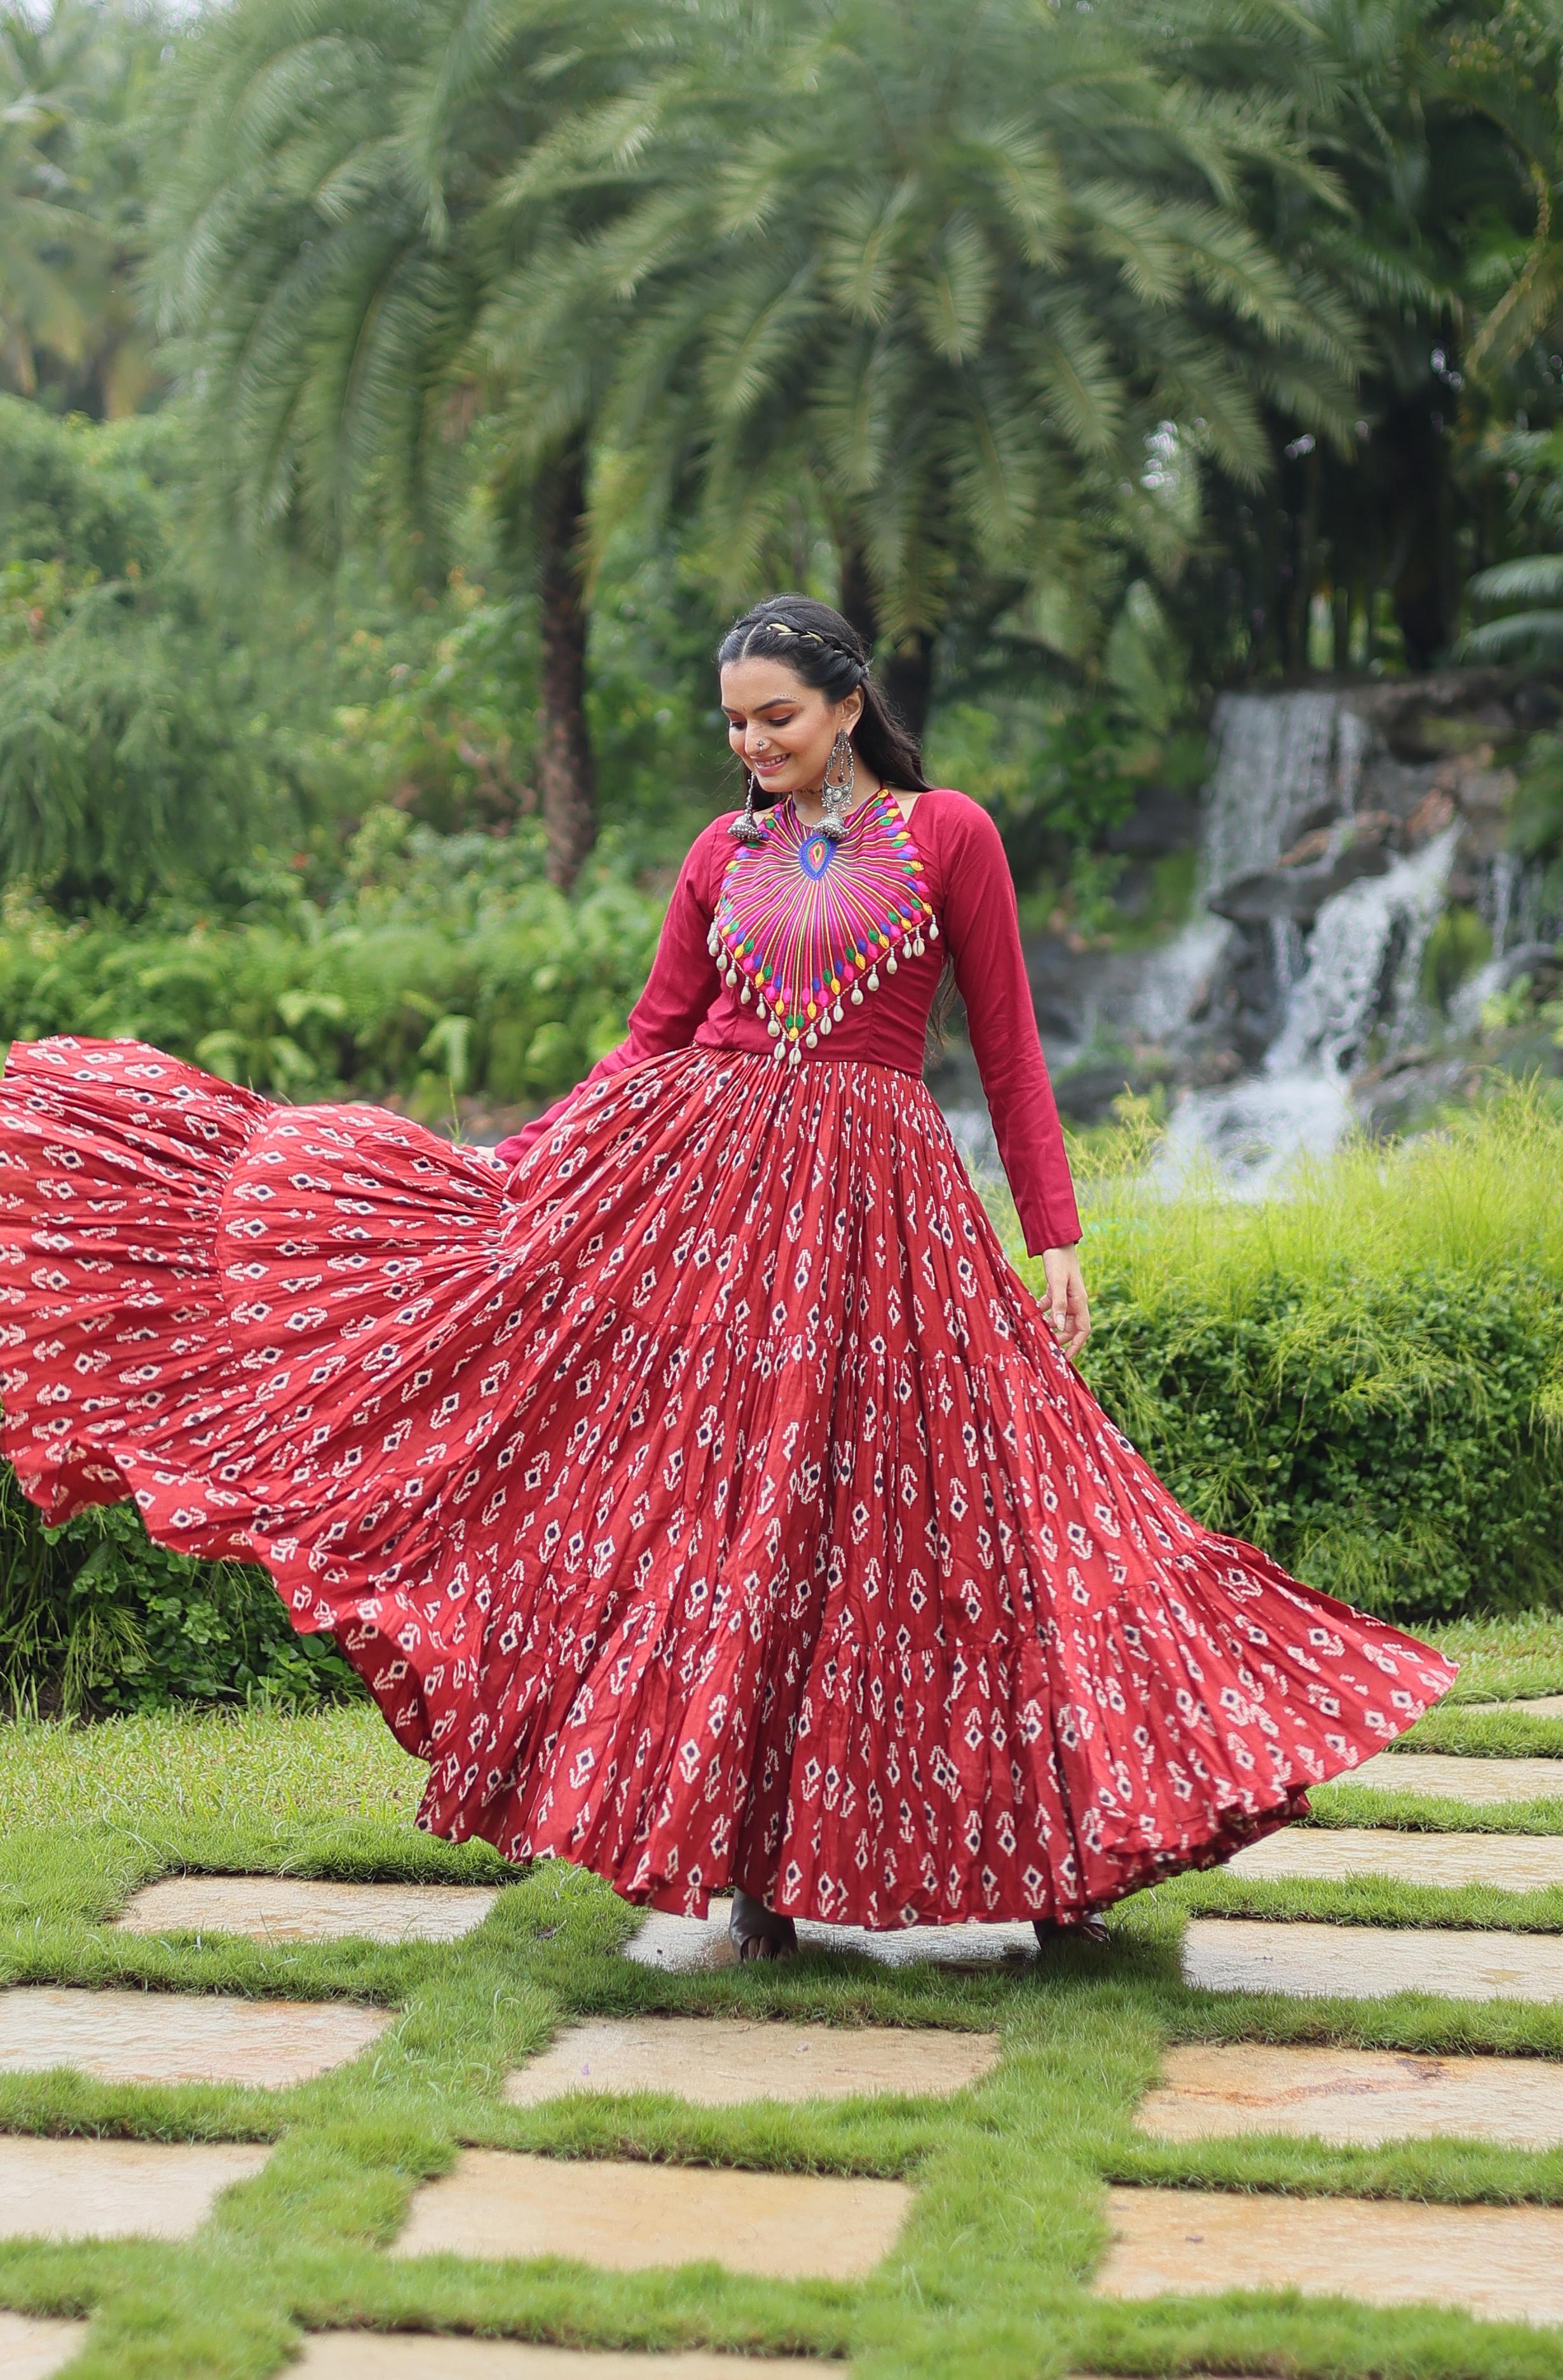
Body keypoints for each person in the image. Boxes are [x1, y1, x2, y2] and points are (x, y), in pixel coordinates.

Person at [0, 594, 1454, 1960]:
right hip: (713, 1218)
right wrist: (524, 1162)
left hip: (889, 1218)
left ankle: (1074, 1853)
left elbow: (1009, 1047)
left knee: (977, 1511)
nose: (754, 744)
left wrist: (1053, 1232)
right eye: (737, 724)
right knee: (738, 1524)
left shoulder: (950, 835)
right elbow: (655, 1036)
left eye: (778, 717)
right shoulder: (722, 853)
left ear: (849, 704)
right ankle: (755, 1872)